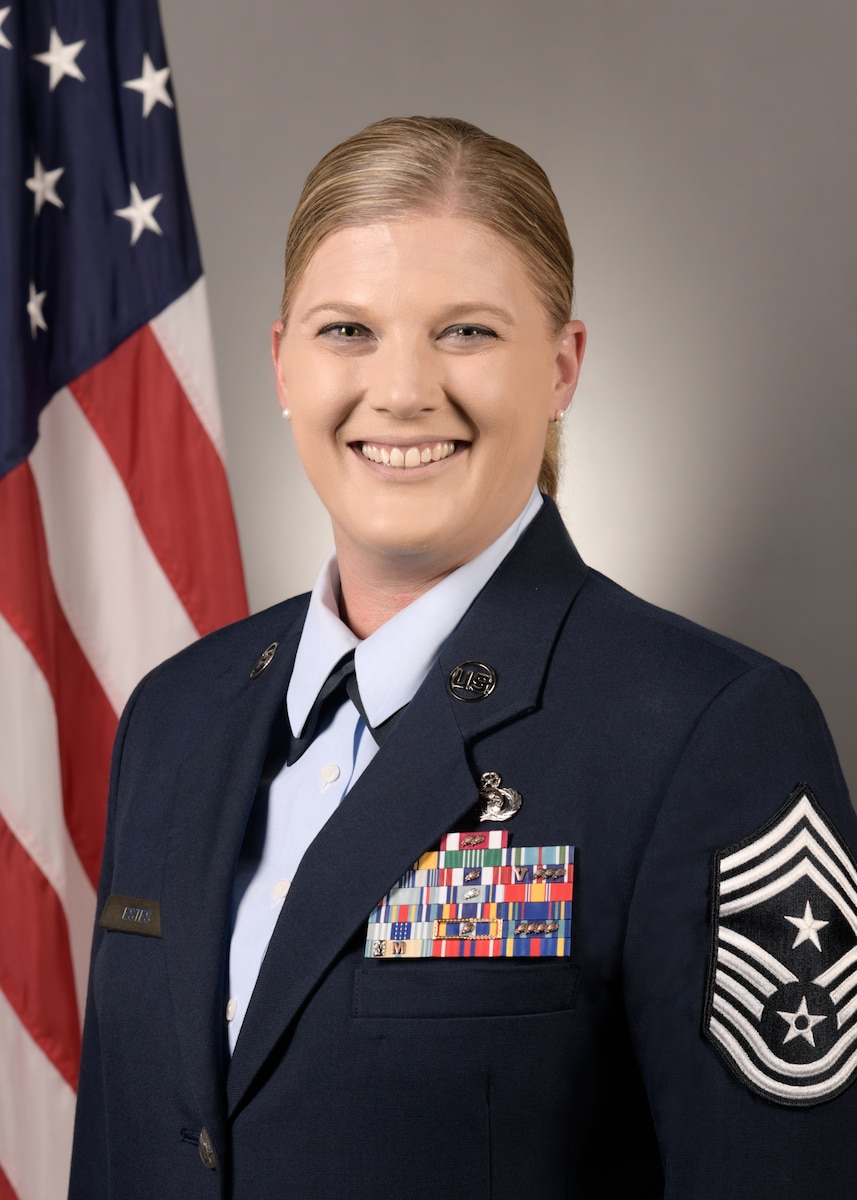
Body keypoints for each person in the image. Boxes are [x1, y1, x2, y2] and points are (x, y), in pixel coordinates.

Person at [69, 117, 857, 1199]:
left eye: (466, 333)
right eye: (347, 330)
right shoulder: (174, 714)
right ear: (281, 366)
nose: (399, 392)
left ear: (563, 368)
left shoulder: (706, 736)